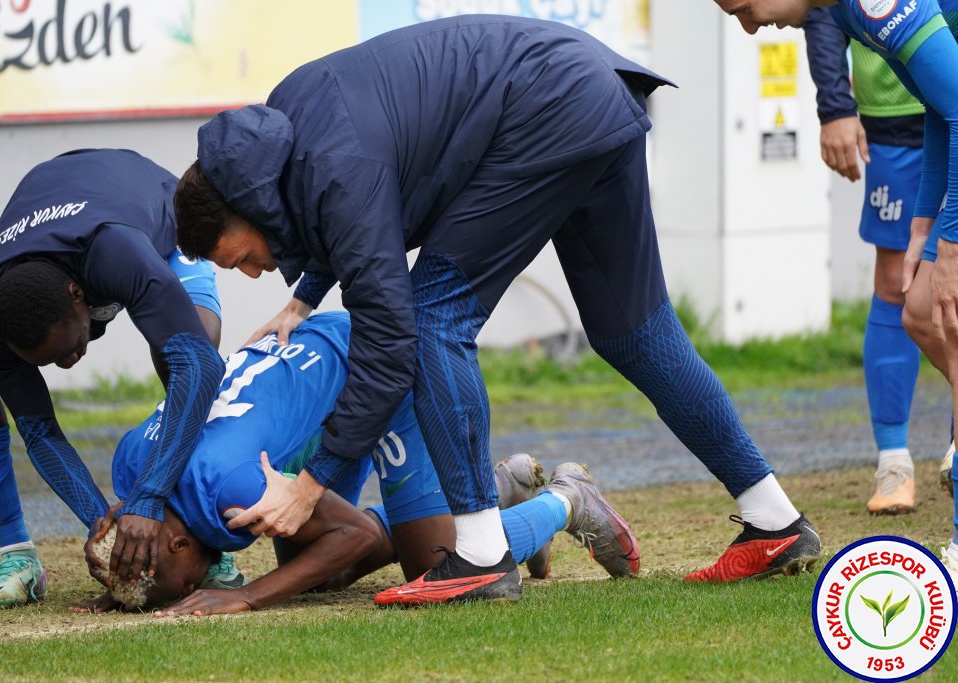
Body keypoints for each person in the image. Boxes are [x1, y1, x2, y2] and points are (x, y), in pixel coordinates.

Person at [173, 15, 820, 600]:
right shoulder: (292, 140)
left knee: (431, 320)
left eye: (240, 257)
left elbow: (391, 337)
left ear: (251, 204)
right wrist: (304, 296)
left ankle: (482, 555)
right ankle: (773, 519)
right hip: (586, 93)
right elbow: (332, 217)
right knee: (633, 332)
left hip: (548, 108)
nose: (252, 272)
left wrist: (310, 483)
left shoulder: (338, 166)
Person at [75, 312, 637, 613]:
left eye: (166, 588)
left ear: (176, 545)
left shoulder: (229, 487)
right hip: (315, 392)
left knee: (435, 569)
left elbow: (354, 535)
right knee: (318, 573)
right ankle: (497, 489)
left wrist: (248, 595)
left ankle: (565, 500)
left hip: (375, 371)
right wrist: (118, 577)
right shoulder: (133, 469)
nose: (182, 593)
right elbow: (137, 524)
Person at [713, 0, 958, 575]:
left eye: (745, 7)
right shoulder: (842, 11)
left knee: (949, 311)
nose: (749, 26)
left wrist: (950, 248)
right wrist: (925, 220)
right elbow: (940, 105)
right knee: (920, 313)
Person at [0, 149, 226, 608]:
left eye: (67, 348)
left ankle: (203, 537)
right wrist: (105, 526)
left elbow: (203, 367)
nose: (69, 364)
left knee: (191, 352)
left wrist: (148, 498)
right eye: (49, 362)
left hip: (149, 218)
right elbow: (38, 430)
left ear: (79, 297)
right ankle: (17, 555)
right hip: (24, 246)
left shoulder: (117, 253)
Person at [803, 8, 926, 514]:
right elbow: (821, 9)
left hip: (949, 96)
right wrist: (835, 105)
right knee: (898, 281)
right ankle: (894, 462)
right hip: (894, 120)